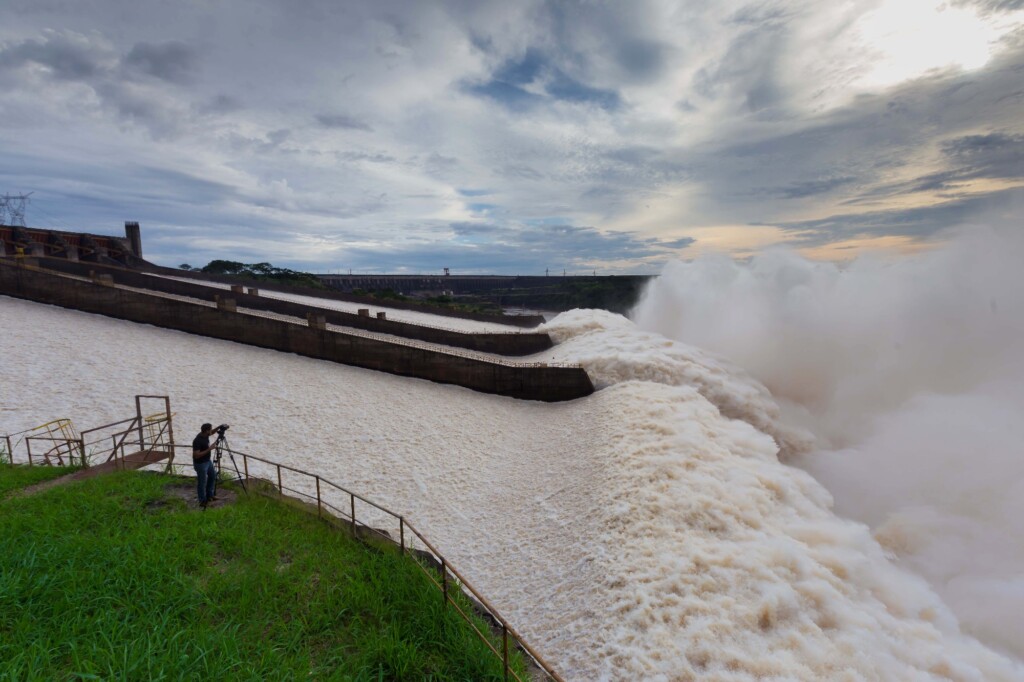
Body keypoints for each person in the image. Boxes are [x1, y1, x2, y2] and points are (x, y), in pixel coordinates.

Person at [192, 423, 219, 507]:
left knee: (212, 476)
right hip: (200, 464)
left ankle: (210, 496)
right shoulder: (197, 440)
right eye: (210, 429)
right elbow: (196, 455)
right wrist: (210, 448)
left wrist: (219, 427)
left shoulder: (205, 435)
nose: (211, 431)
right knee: (202, 482)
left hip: (208, 461)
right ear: (206, 431)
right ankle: (202, 500)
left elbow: (213, 432)